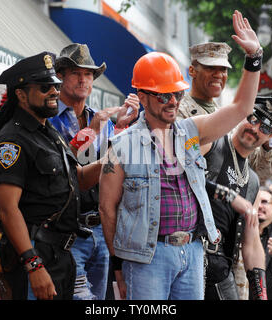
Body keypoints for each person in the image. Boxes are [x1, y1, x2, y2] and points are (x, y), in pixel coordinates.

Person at [99, 10, 262, 300]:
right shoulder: (122, 147)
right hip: (147, 259)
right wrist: (119, 268)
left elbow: (240, 109)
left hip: (193, 251)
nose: (172, 101)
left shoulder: (191, 130)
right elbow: (107, 209)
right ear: (142, 94)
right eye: (164, 95)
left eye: (177, 94)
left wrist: (254, 59)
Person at [0, 51, 104, 300]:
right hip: (35, 258)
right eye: (44, 87)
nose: (53, 91)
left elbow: (79, 180)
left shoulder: (48, 132)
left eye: (55, 85)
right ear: (20, 94)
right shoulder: (11, 142)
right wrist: (34, 265)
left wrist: (114, 161)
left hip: (62, 256)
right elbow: (8, 210)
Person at [49, 43, 139, 300]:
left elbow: (111, 166)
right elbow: (63, 164)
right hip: (66, 229)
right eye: (76, 72)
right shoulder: (49, 117)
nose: (83, 79)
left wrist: (121, 129)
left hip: (101, 227)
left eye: (88, 74)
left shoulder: (98, 117)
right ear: (61, 76)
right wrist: (96, 129)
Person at [202, 95, 272, 300]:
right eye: (253, 118)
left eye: (265, 128)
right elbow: (180, 174)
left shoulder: (254, 182)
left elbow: (252, 242)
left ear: (270, 137)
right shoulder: (212, 143)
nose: (255, 128)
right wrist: (228, 195)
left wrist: (260, 293)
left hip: (221, 269)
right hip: (188, 258)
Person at [177, 42, 272, 185]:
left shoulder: (227, 119)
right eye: (210, 68)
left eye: (223, 69)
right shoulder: (176, 111)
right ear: (192, 71)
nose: (218, 75)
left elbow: (259, 172)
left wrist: (267, 144)